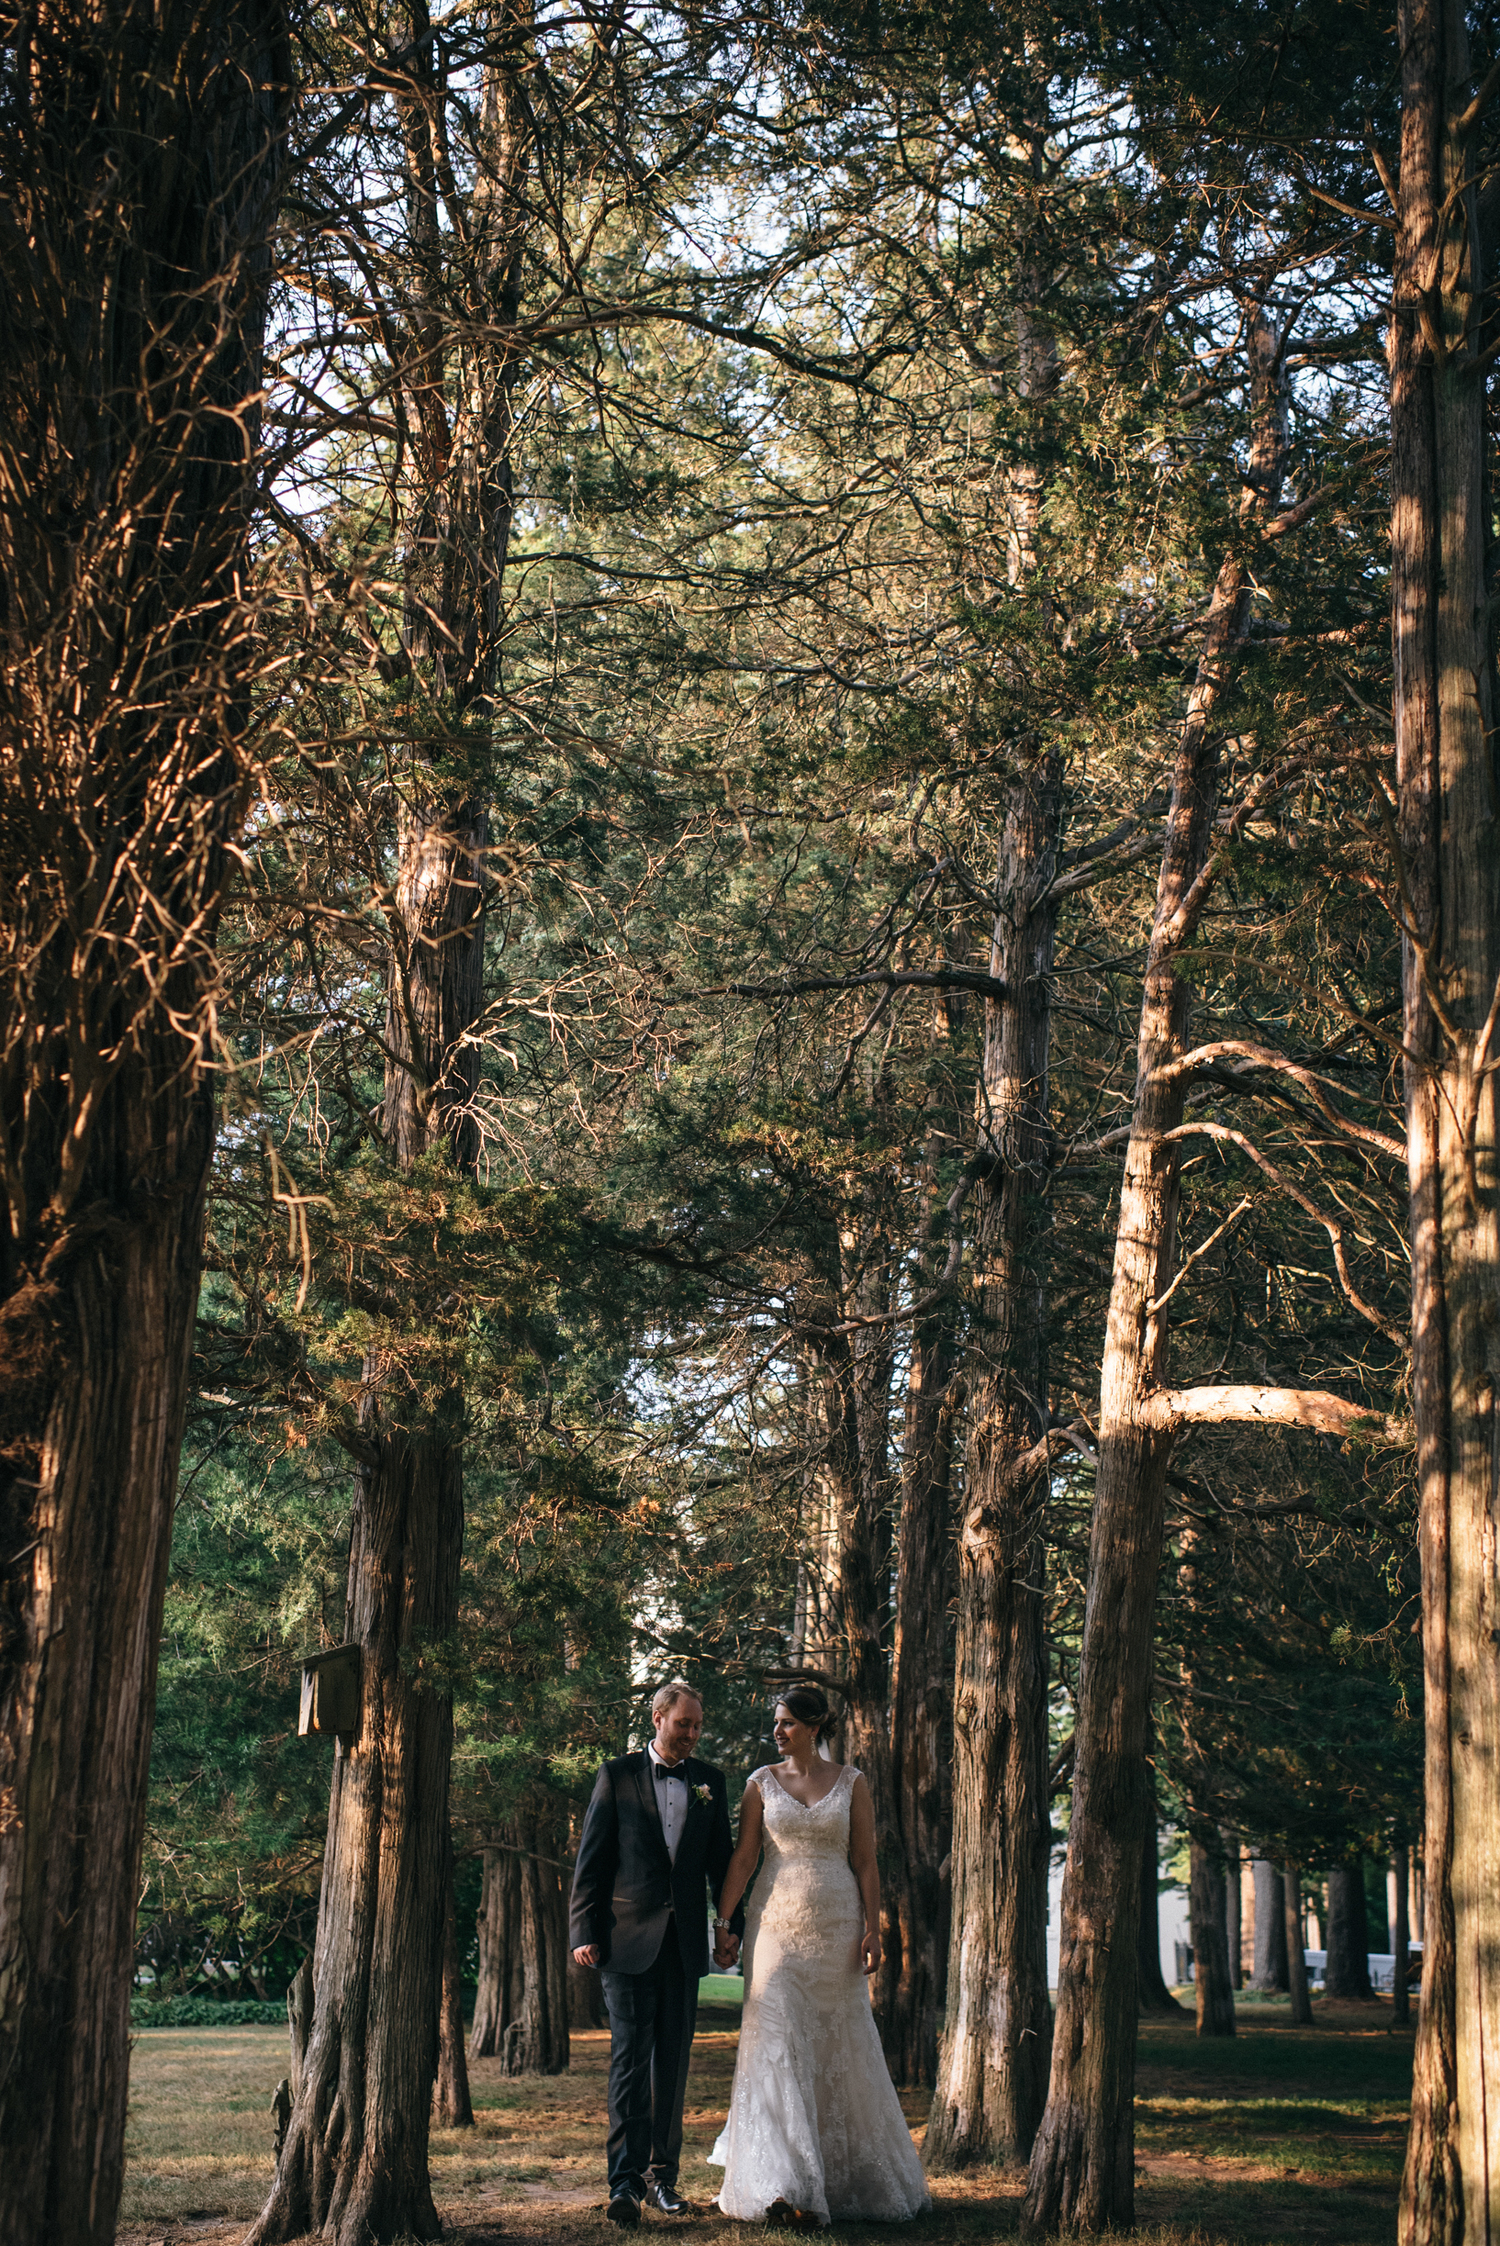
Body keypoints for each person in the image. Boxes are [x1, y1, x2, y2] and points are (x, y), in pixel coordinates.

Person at [708, 1685, 929, 2228]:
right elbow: (744, 1857)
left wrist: (872, 1928)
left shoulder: (852, 1782)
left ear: (813, 1726)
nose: (777, 1731)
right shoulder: (761, 1783)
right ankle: (782, 2184)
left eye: (786, 1722)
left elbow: (866, 1862)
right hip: (775, 1926)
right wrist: (724, 1922)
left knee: (838, 2044)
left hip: (837, 1927)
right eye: (776, 1723)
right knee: (777, 2041)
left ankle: (842, 2177)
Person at [570, 1680, 743, 2226]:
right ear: (658, 1719)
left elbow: (724, 1866)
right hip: (624, 1943)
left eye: (697, 1725)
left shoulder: (710, 1783)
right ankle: (624, 2183)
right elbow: (592, 1860)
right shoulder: (616, 1776)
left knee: (672, 2064)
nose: (692, 1734)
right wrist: (582, 1930)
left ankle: (663, 2180)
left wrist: (728, 1927)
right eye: (683, 1723)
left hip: (684, 1946)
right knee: (628, 2062)